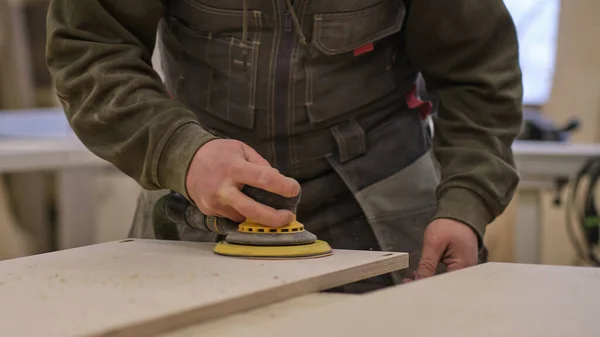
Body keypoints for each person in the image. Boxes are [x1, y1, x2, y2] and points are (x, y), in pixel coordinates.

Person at [46, 0, 522, 292]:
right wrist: (180, 152)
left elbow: (477, 72)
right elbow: (90, 49)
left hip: (384, 211)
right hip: (198, 197)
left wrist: (465, 204)